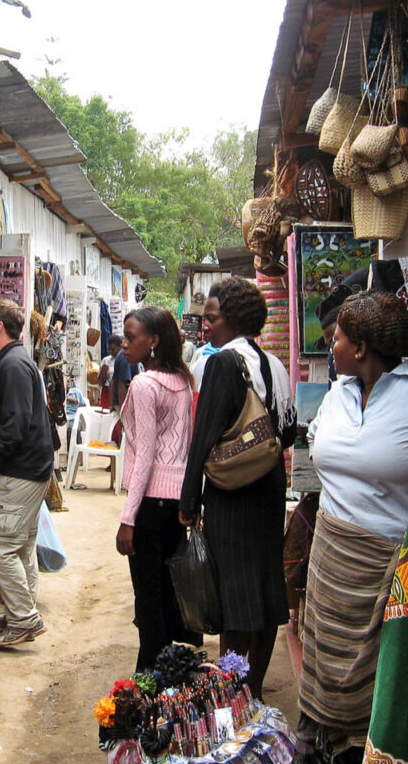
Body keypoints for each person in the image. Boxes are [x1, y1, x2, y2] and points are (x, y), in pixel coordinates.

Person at [298, 291, 408, 763]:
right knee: (329, 688)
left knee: (386, 692)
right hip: (331, 569)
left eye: (340, 339)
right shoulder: (337, 395)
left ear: (362, 347)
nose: (333, 348)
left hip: (394, 575)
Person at [179, 277, 296, 700]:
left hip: (232, 492)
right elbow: (287, 432)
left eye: (210, 318)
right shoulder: (274, 364)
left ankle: (232, 691)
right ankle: (255, 688)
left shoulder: (224, 362)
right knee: (265, 589)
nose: (204, 327)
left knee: (234, 596)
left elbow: (204, 434)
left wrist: (189, 499)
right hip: (268, 490)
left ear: (232, 319)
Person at [116, 306, 202, 671]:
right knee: (168, 592)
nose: (123, 344)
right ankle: (169, 671)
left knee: (148, 598)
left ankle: (149, 677)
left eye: (130, 337)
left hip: (150, 502)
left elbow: (146, 455)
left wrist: (127, 518)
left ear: (153, 341)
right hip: (177, 500)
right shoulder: (181, 380)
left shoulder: (145, 384)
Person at [0, 300, 54, 647]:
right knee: (18, 545)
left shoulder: (14, 366)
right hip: (29, 468)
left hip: (20, 469)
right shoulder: (11, 362)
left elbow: (16, 423)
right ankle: (20, 610)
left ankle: (23, 618)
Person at [99, 335, 121, 409]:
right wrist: (103, 371)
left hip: (120, 391)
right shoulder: (106, 360)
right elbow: (100, 383)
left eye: (113, 349)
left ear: (120, 347)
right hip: (107, 392)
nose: (111, 352)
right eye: (109, 349)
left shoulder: (126, 359)